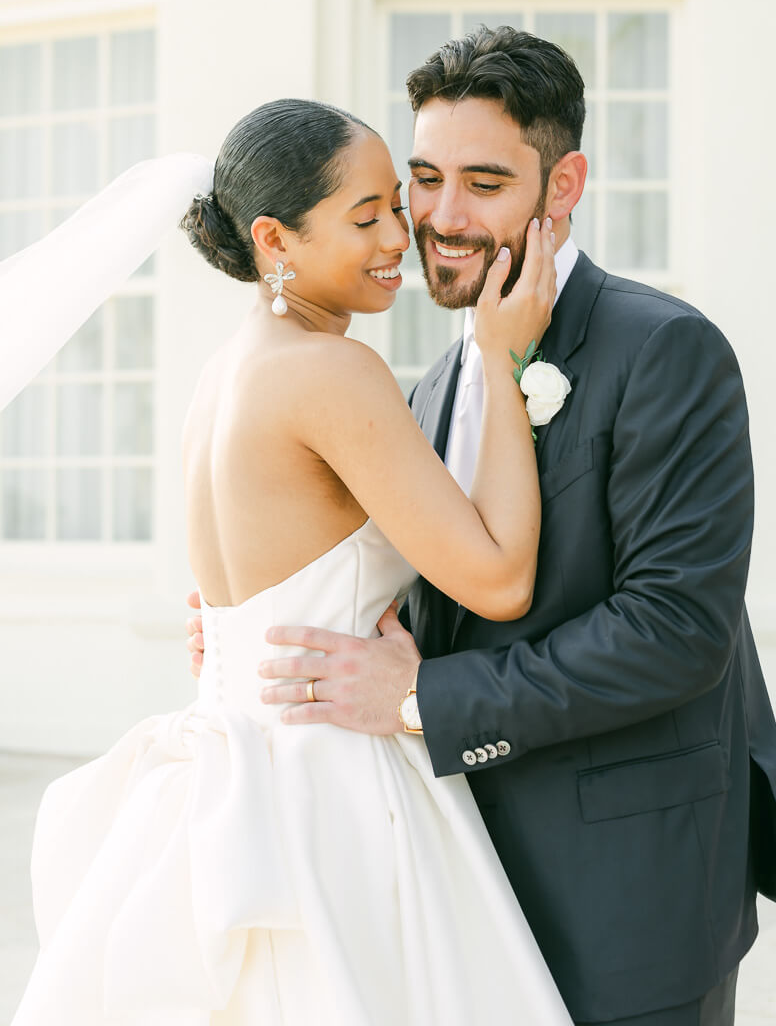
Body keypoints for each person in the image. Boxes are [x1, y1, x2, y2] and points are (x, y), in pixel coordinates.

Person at [188, 29, 776, 1026]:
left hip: (628, 890)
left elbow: (675, 632)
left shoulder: (667, 350)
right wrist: (276, 628)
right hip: (459, 877)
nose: (437, 218)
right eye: (422, 180)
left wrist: (426, 695)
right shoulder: (425, 386)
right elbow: (429, 592)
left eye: (483, 182)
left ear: (564, 187)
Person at [8, 98, 574, 1025]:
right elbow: (501, 578)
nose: (404, 233)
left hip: (226, 783)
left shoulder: (222, 373)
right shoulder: (332, 373)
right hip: (329, 787)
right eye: (367, 217)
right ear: (275, 238)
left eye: (399, 202)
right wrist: (504, 360)